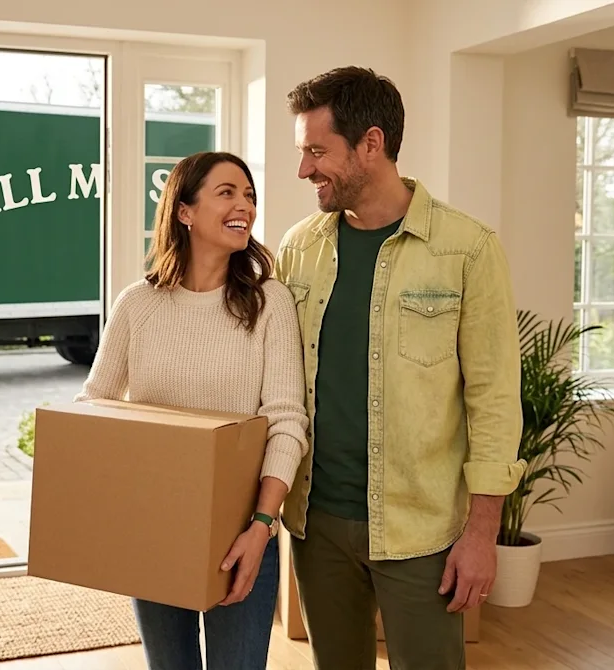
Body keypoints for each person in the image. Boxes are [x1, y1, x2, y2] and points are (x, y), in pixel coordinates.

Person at [274, 66, 527, 669]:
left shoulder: (467, 249)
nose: (303, 169)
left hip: (423, 532)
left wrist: (481, 533)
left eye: (316, 150)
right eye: (301, 151)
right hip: (317, 525)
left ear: (371, 143)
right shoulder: (298, 249)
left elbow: (493, 399)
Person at [74, 151, 309, 670]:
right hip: (154, 529)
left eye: (249, 195)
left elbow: (287, 421)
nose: (244, 205)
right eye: (227, 192)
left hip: (242, 534)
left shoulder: (269, 303)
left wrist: (263, 526)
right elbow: (95, 406)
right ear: (184, 211)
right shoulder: (137, 304)